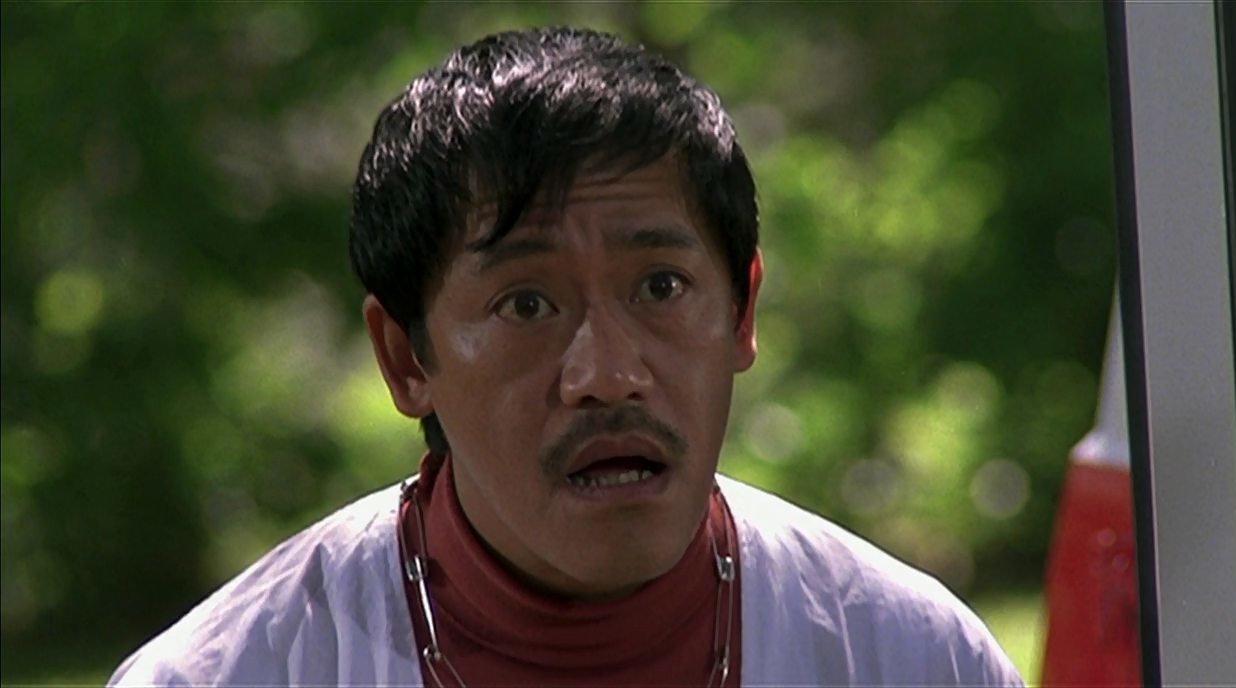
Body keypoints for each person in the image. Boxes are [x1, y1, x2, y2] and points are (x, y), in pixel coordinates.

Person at [109, 26, 1023, 687]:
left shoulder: (912, 657)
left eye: (660, 286)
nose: (608, 374)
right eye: (526, 305)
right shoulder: (232, 672)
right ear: (405, 359)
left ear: (742, 310)